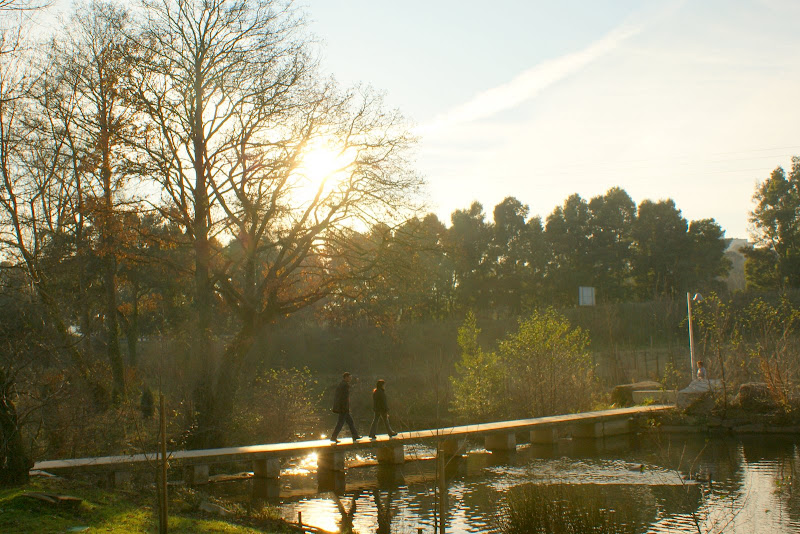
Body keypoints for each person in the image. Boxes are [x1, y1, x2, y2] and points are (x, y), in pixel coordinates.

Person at [331, 372, 360, 443]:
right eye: (349, 377)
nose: (350, 379)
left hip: (343, 408)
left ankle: (355, 436)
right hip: (343, 408)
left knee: (350, 422)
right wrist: (345, 408)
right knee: (340, 423)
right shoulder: (344, 386)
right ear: (346, 377)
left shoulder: (342, 384)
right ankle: (333, 437)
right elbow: (344, 398)